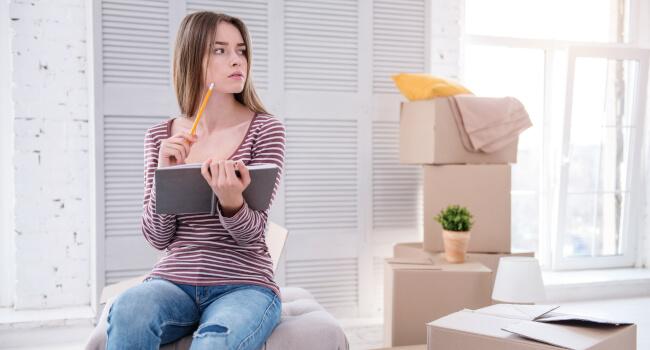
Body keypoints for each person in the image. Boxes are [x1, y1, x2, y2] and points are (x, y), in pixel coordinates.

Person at [106, 11, 285, 350]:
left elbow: (252, 236)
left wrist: (232, 203)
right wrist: (166, 176)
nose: (236, 60)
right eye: (220, 50)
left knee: (216, 341)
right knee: (128, 310)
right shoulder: (160, 136)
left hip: (244, 283)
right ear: (193, 58)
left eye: (241, 50)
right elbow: (157, 238)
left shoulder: (266, 129)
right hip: (173, 280)